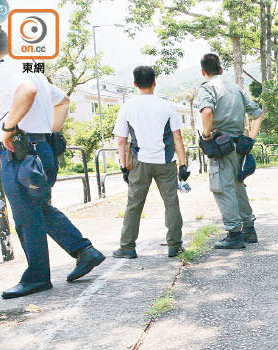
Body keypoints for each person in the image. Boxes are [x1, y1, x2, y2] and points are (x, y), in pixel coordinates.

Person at [0, 28, 105, 299]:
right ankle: (84, 251)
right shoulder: (30, 67)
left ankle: (37, 277)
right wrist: (48, 134)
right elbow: (64, 101)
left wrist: (9, 128)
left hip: (20, 152)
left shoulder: (6, 70)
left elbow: (27, 91)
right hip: (41, 149)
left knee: (26, 216)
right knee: (38, 209)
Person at [113, 66, 189, 259]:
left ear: (135, 84)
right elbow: (177, 138)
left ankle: (127, 247)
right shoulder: (167, 106)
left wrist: (124, 167)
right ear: (154, 82)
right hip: (166, 162)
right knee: (171, 203)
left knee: (134, 205)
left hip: (140, 162)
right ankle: (175, 245)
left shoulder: (127, 107)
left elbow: (122, 141)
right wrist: (183, 164)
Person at [196, 53, 264, 250]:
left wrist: (207, 136)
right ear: (221, 70)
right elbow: (258, 115)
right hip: (238, 145)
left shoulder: (208, 88)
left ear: (203, 72)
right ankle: (249, 229)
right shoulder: (236, 88)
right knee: (237, 185)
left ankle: (234, 234)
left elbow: (207, 111)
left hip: (220, 145)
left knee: (222, 188)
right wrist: (250, 139)